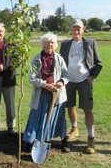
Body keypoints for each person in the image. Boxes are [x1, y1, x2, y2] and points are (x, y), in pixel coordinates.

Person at [60, 19, 102, 154]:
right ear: (71, 30)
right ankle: (74, 128)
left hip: (85, 81)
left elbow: (98, 63)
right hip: (69, 81)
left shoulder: (90, 43)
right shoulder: (65, 44)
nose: (76, 31)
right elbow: (60, 62)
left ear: (83, 29)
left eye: (79, 29)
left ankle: (91, 138)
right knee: (70, 106)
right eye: (74, 29)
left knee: (87, 109)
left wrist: (92, 76)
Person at [23, 33, 70, 153]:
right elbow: (32, 78)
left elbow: (66, 75)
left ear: (55, 45)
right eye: (47, 42)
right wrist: (45, 85)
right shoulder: (36, 59)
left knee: (57, 119)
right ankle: (30, 142)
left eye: (52, 42)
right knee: (35, 118)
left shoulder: (59, 58)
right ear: (43, 44)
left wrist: (61, 82)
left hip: (56, 97)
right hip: (41, 96)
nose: (49, 45)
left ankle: (64, 141)